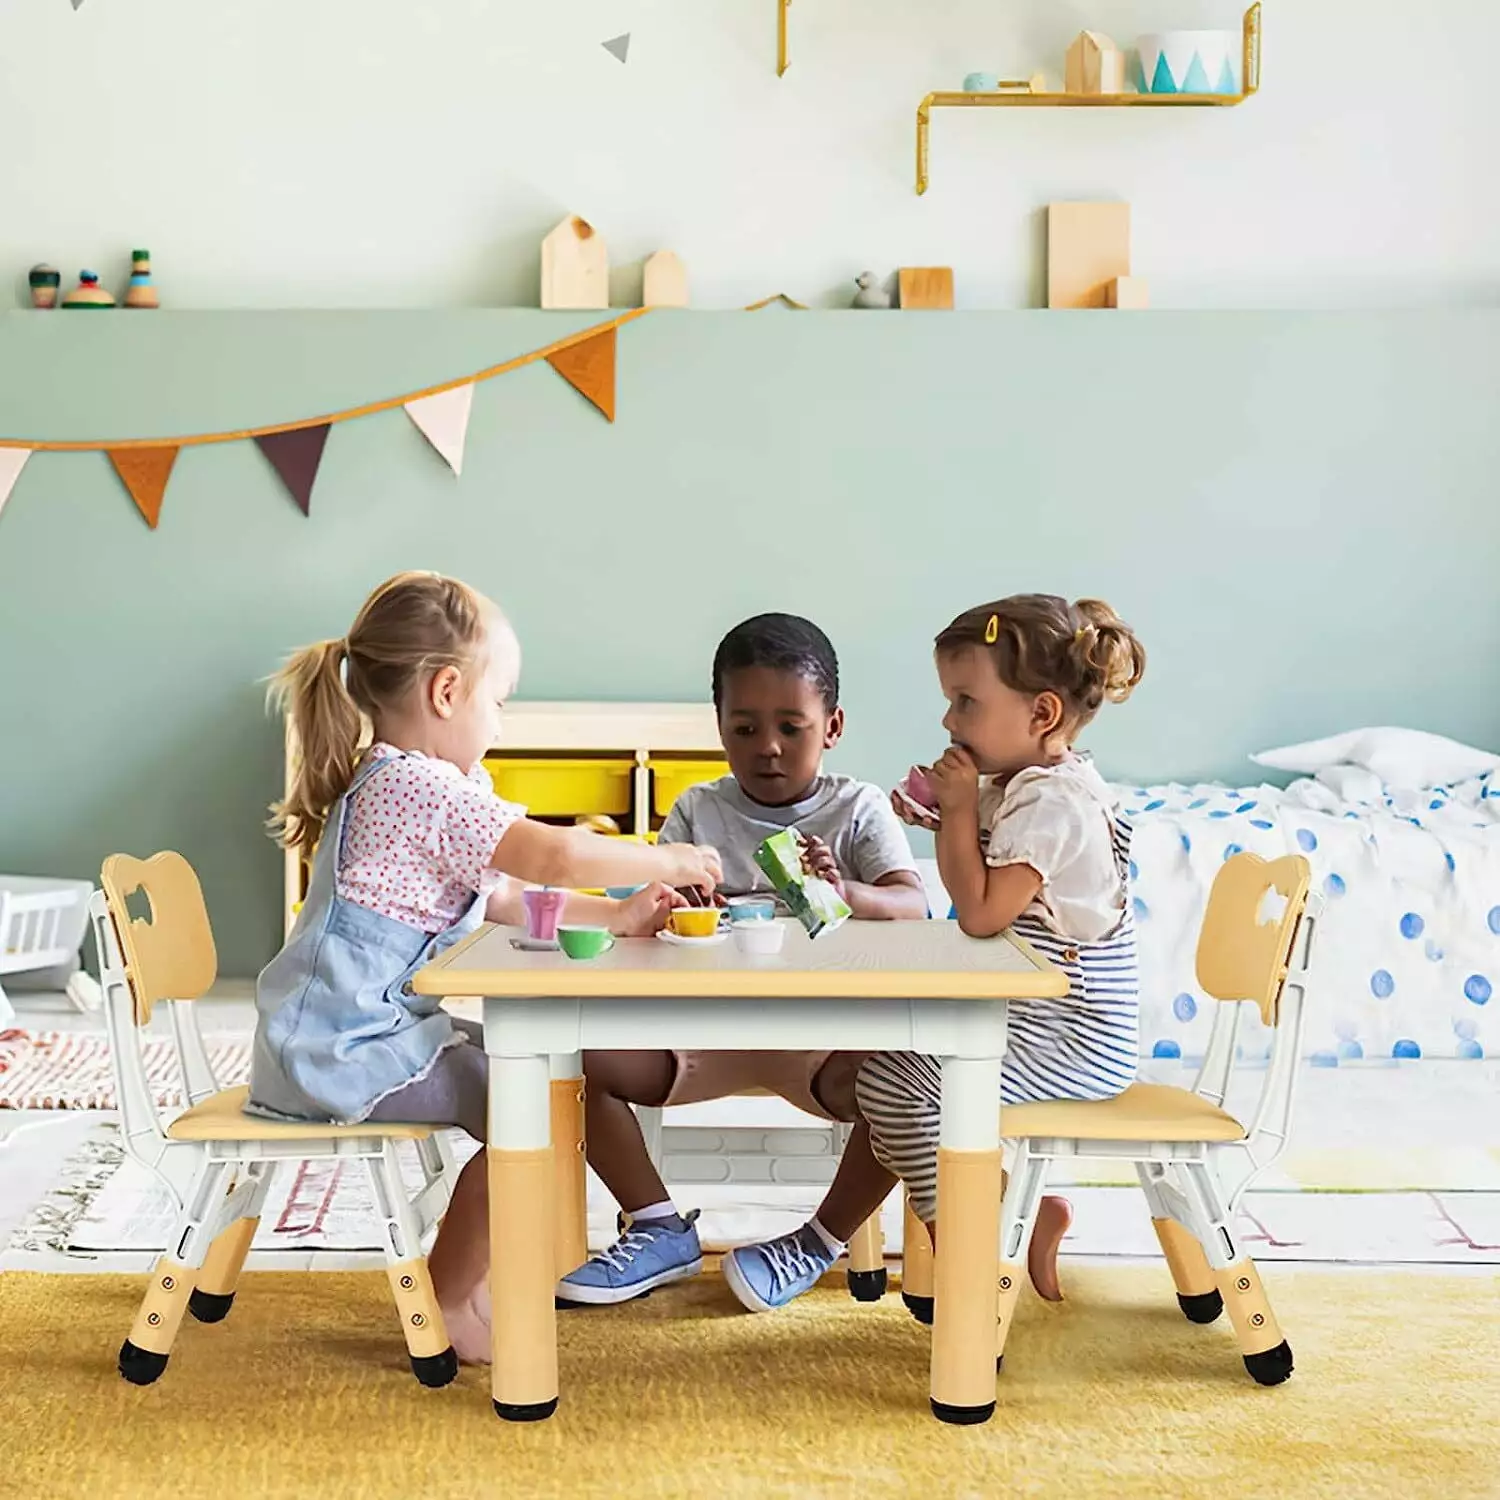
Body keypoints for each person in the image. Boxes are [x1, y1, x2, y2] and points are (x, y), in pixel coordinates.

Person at [247, 571, 721, 1362]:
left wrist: (619, 913)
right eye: (499, 701)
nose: (500, 722)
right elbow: (557, 853)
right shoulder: (417, 788)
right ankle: (447, 1297)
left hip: (361, 1033)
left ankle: (471, 1279)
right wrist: (664, 858)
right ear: (445, 691)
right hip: (342, 1050)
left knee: (534, 1093)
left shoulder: (410, 782)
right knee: (530, 1108)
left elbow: (506, 896)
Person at [556, 612, 928, 1309]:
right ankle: (659, 1226)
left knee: (906, 1082)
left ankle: (820, 1239)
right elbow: (644, 915)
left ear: (833, 726)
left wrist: (843, 890)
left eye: (793, 727)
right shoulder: (699, 809)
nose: (770, 748)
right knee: (570, 1064)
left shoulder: (855, 809)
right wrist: (665, 900)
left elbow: (913, 907)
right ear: (720, 724)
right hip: (701, 1036)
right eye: (746, 727)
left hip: (822, 1046)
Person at [859, 594, 1146, 1304]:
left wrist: (955, 814)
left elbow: (981, 913)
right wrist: (943, 815)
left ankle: (976, 1248)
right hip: (1036, 1015)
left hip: (1076, 1034)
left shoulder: (1055, 803)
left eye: (965, 701)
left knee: (897, 1082)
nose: (949, 721)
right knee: (889, 1068)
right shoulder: (1018, 785)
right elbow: (977, 881)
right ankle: (1017, 1211)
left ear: (1041, 715)